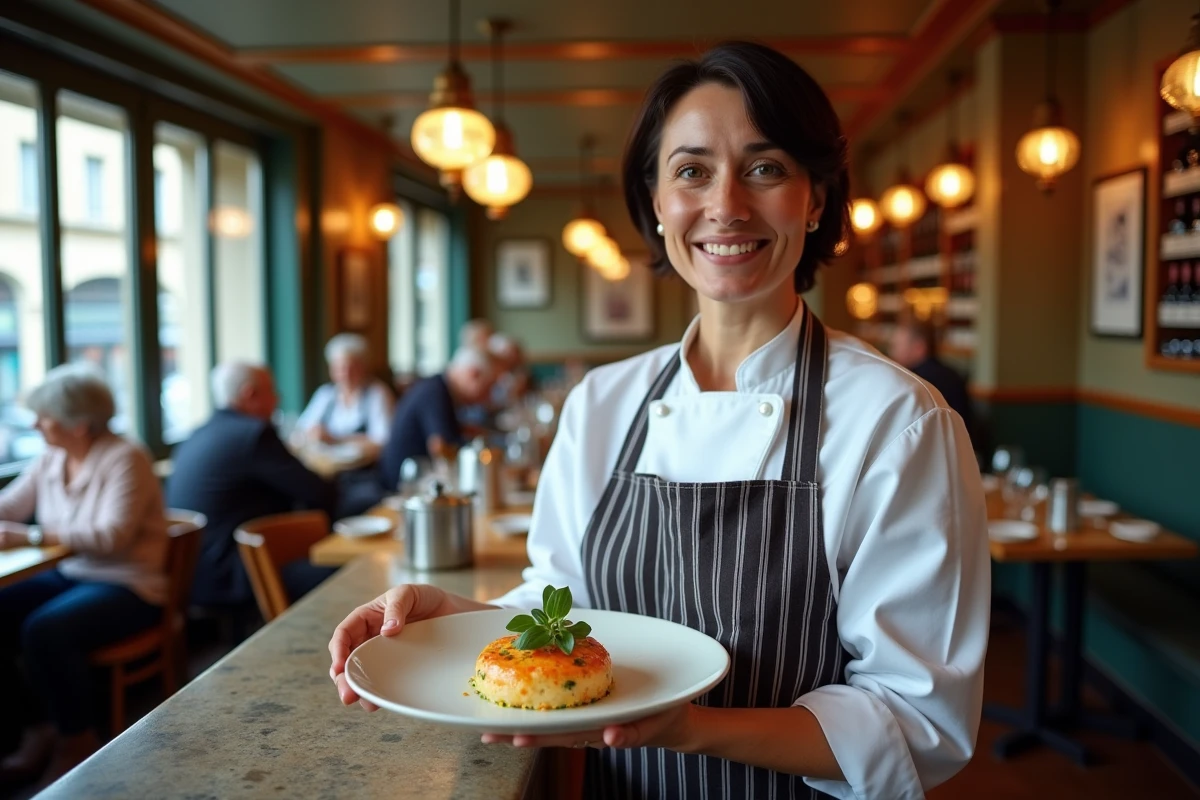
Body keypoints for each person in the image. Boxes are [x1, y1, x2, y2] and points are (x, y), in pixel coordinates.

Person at [330, 42, 988, 799]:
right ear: (655, 202)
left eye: (766, 167)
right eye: (692, 170)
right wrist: (452, 614)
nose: (727, 204)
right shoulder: (602, 403)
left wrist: (690, 728)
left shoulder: (897, 421)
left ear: (815, 198)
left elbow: (916, 720)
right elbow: (566, 604)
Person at [0, 365, 168, 785]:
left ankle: (77, 738)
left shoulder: (125, 456)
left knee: (44, 630)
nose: (36, 424)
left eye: (45, 416)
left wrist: (32, 536)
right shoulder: (51, 457)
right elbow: (10, 505)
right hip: (75, 572)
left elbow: (112, 536)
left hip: (129, 582)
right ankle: (37, 726)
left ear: (79, 423)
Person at [166, 362, 338, 611]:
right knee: (344, 573)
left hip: (189, 574)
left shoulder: (195, 435)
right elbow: (318, 491)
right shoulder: (254, 434)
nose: (278, 399)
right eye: (272, 391)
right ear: (250, 394)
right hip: (233, 572)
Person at [377, 347, 497, 493]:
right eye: (488, 388)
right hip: (403, 487)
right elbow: (441, 447)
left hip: (414, 479)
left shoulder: (439, 386)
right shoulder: (436, 392)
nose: (488, 397)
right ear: (473, 374)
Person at [295, 333, 393, 459]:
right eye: (340, 368)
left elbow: (383, 442)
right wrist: (313, 433)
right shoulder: (325, 394)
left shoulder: (377, 394)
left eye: (352, 367)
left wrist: (335, 440)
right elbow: (302, 429)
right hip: (327, 466)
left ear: (364, 367)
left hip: (365, 471)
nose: (346, 374)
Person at [888, 316, 978, 450]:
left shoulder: (914, 382)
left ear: (919, 347)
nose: (891, 352)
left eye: (897, 345)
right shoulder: (953, 375)